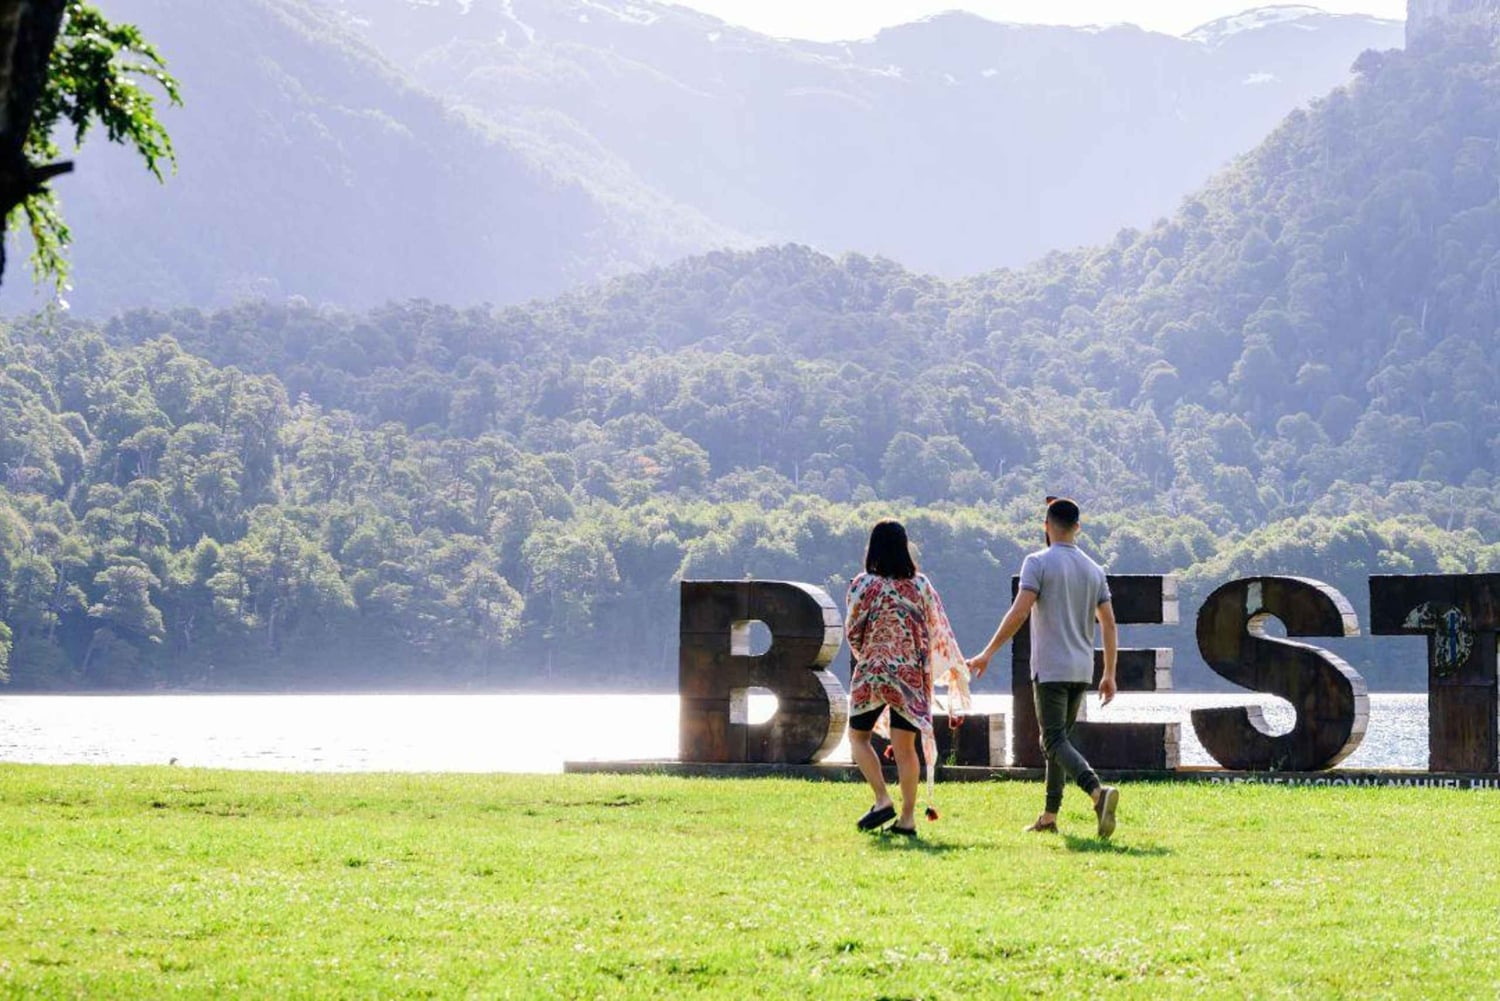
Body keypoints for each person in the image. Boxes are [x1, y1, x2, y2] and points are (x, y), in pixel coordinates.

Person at [967, 497, 1122, 838]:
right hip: (1082, 669)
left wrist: (987, 652)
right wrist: (1109, 673)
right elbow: (1109, 624)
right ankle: (1050, 816)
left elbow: (1020, 612)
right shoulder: (1094, 570)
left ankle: (1098, 793)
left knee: (1051, 741)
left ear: (1046, 526)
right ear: (1078, 528)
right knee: (1058, 740)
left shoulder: (1037, 562)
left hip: (1051, 668)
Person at [845, 519, 970, 837]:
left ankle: (882, 798)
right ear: (904, 548)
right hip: (910, 677)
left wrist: (869, 655)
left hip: (873, 672)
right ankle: (908, 819)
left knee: (858, 738)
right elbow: (937, 626)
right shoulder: (921, 585)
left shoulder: (862, 584)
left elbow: (853, 629)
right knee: (905, 749)